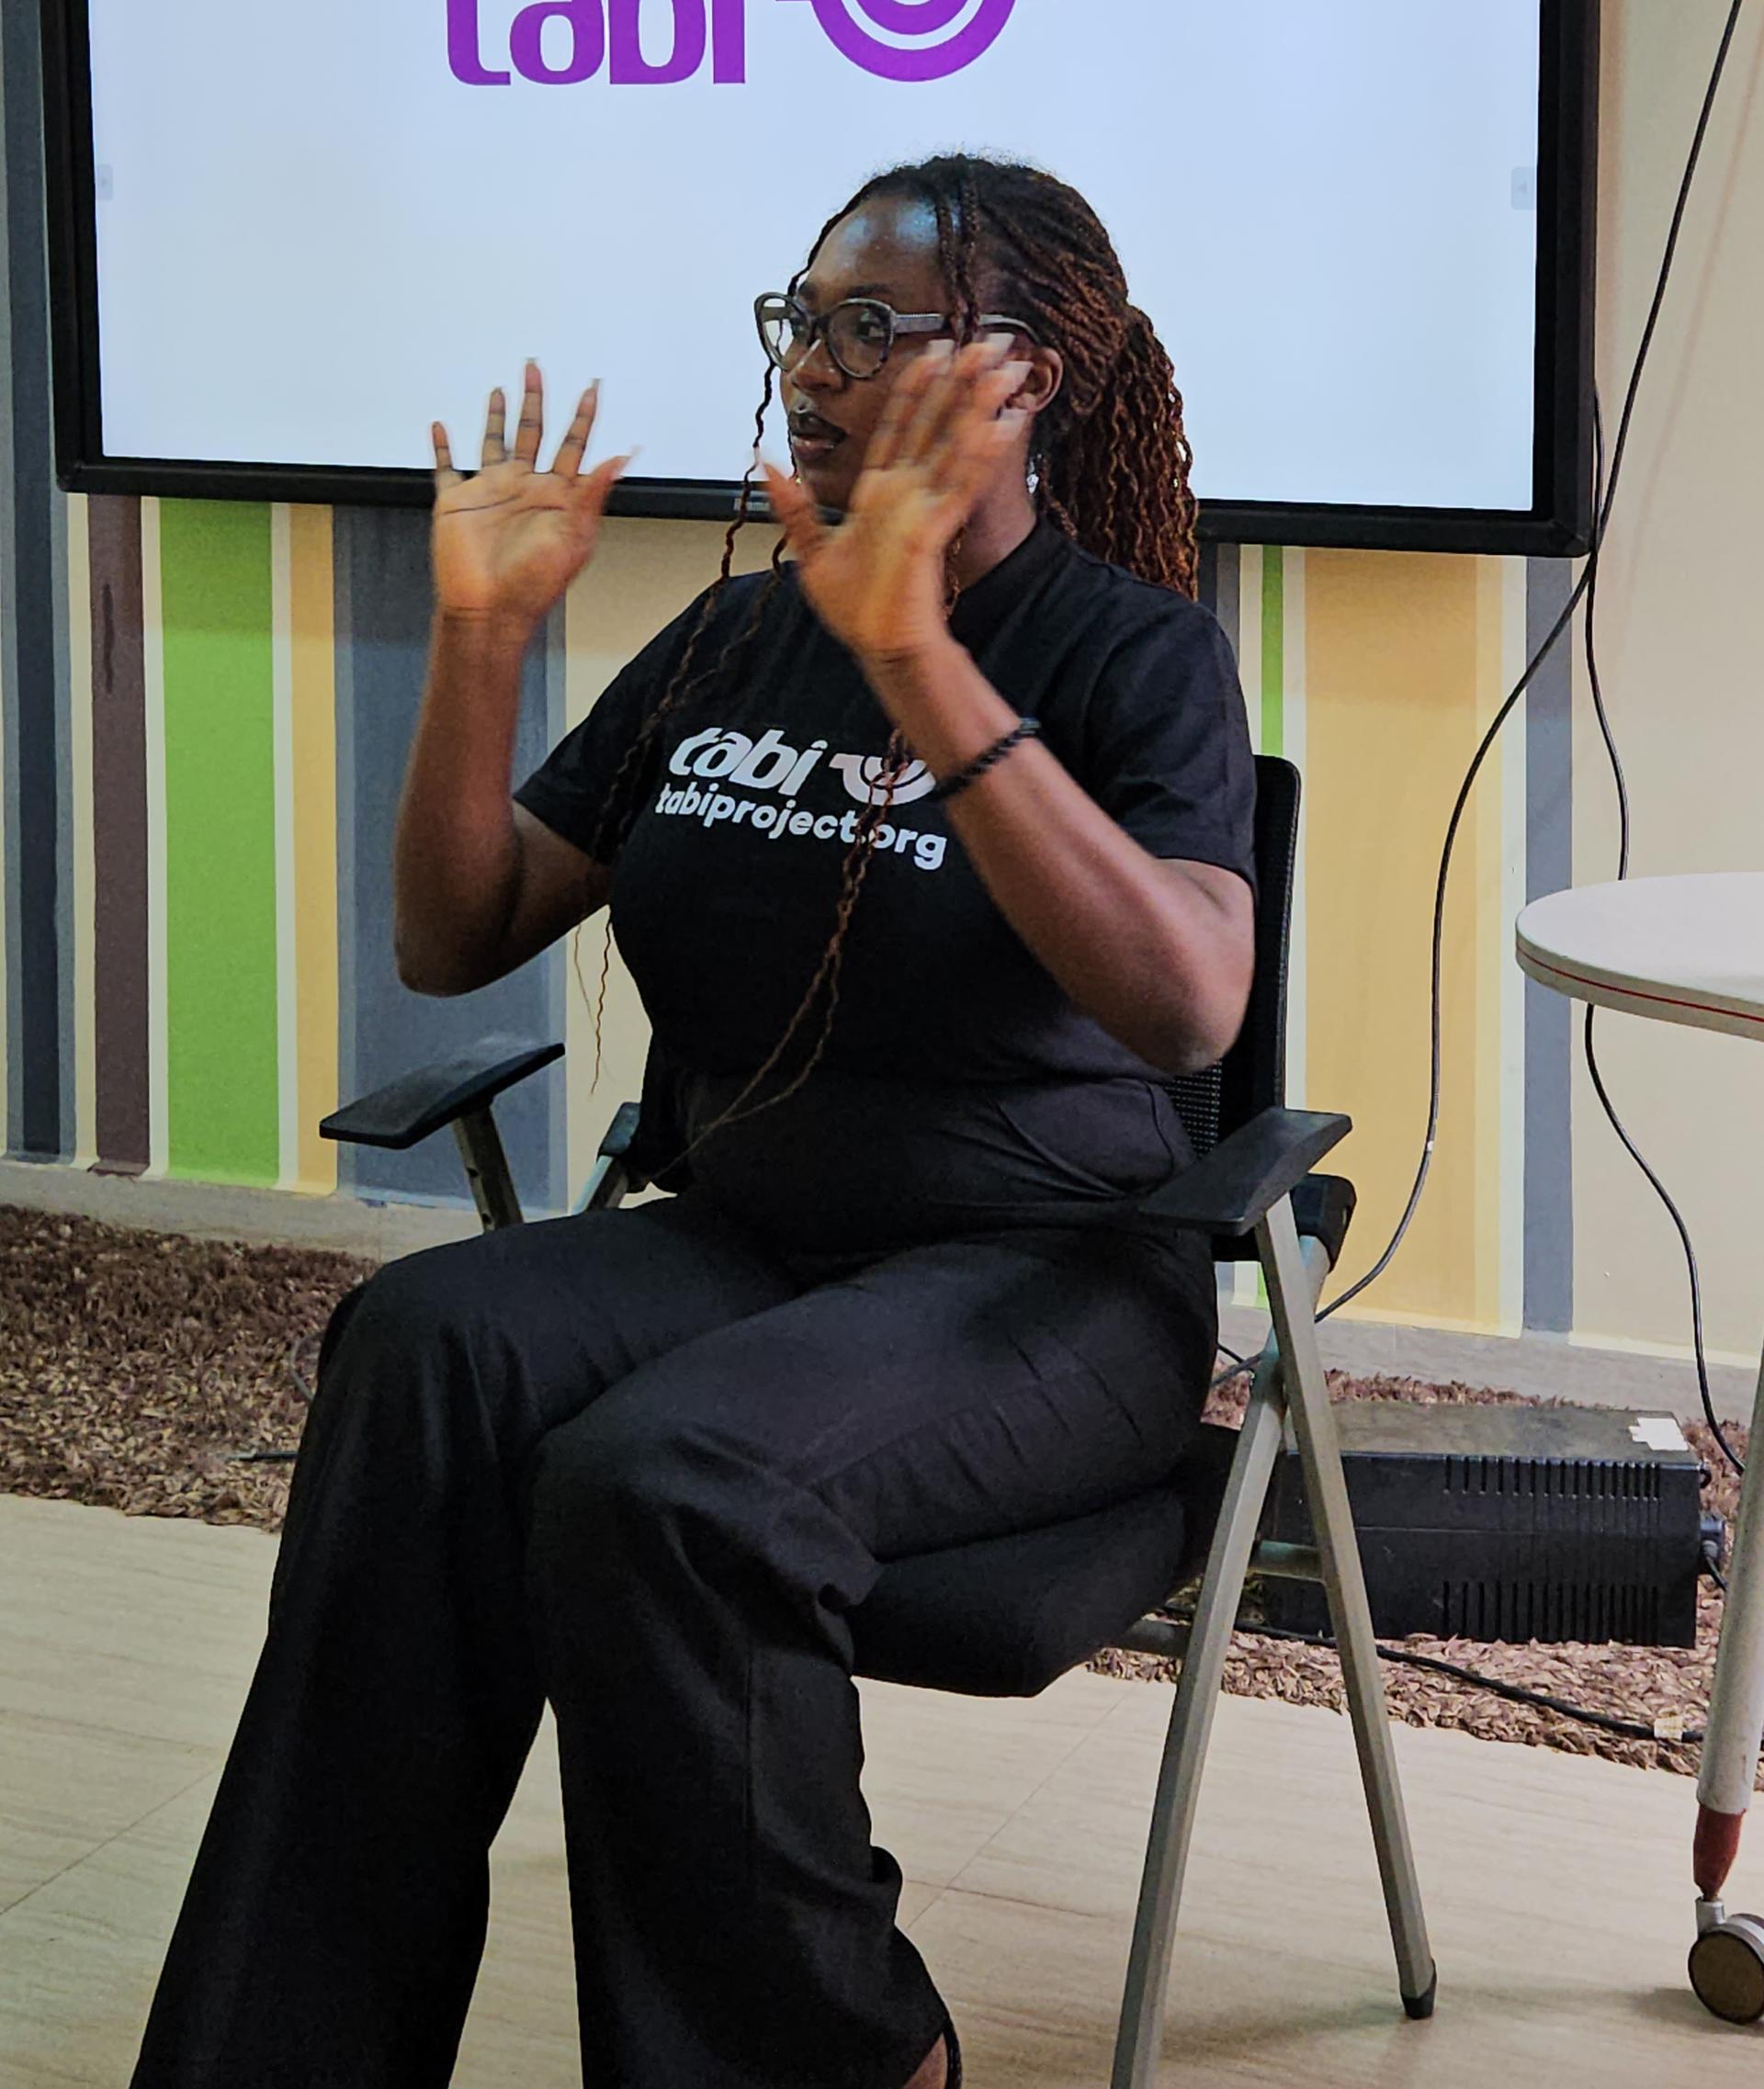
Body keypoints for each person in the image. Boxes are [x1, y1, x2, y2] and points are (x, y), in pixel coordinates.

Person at [131, 152, 1256, 2089]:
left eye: (870, 327)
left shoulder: (1132, 657)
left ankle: (845, 2054)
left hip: (1050, 1284)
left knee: (665, 1481)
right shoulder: (734, 643)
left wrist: (916, 650)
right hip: (752, 1238)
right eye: (798, 322)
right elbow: (460, 923)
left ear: (1026, 374)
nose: (814, 366)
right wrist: (480, 634)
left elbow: (1183, 1001)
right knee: (422, 1345)